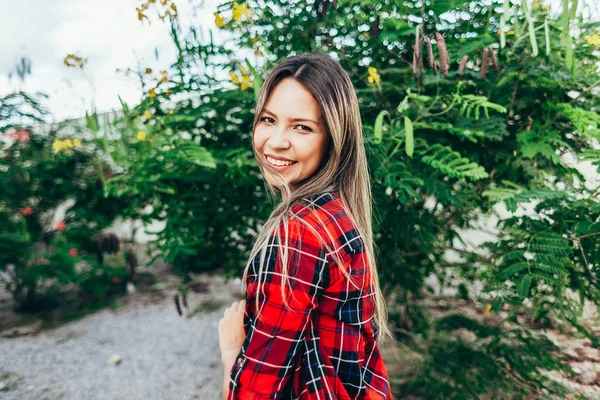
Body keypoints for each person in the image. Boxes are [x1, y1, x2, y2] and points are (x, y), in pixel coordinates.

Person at [218, 52, 392, 399]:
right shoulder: (334, 214)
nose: (277, 141)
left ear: (333, 139)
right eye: (268, 119)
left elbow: (253, 393)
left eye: (302, 127)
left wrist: (230, 354)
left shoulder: (299, 232)